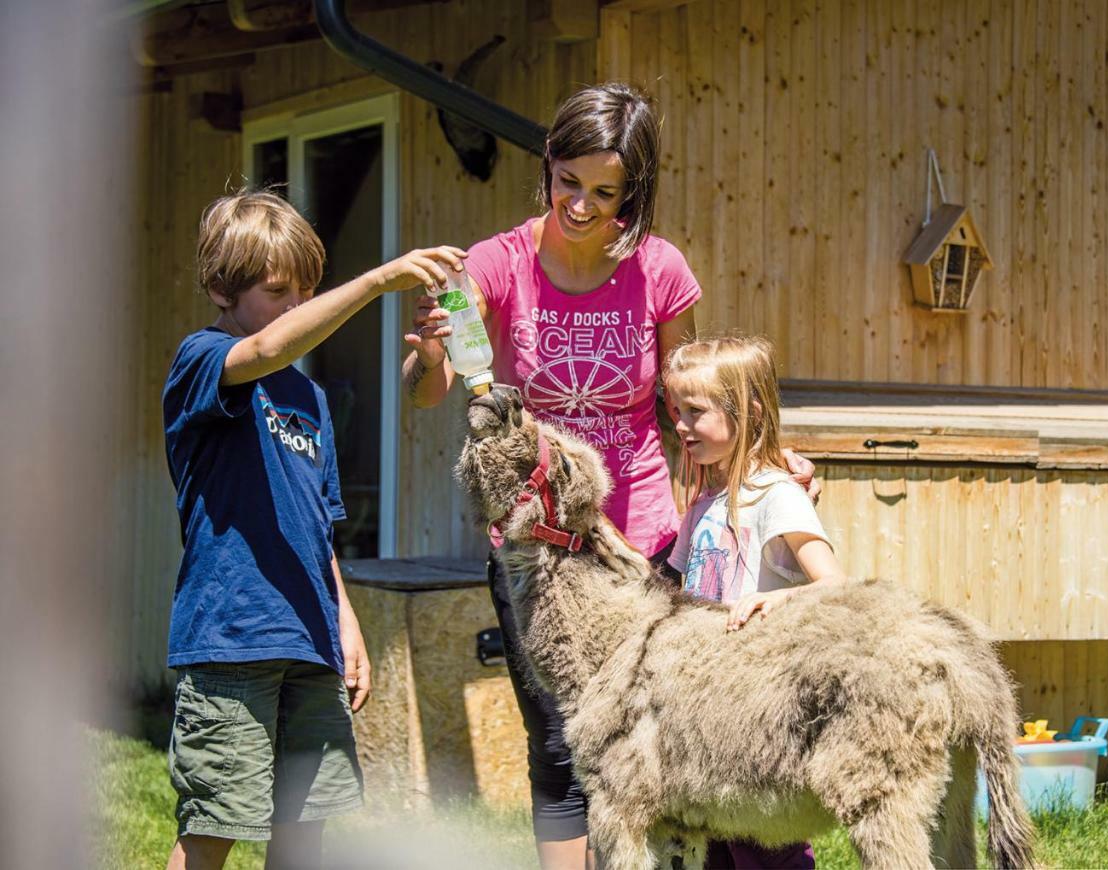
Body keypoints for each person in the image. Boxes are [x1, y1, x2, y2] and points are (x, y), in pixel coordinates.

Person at [402, 82, 818, 870]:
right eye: (570, 184)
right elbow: (430, 392)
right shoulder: (497, 263)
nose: (584, 208)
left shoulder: (658, 270)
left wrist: (763, 461)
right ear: (548, 166)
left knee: (656, 734)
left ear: (633, 194)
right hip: (537, 551)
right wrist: (429, 352)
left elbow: (690, 396)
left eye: (607, 193)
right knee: (561, 737)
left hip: (645, 543)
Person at [162, 189, 464, 869]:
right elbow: (265, 346)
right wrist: (380, 280)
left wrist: (345, 626)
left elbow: (319, 528)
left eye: (306, 290)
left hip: (309, 638)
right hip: (231, 639)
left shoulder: (310, 398)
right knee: (214, 826)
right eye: (278, 290)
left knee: (305, 830)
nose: (297, 305)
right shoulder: (202, 361)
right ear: (220, 287)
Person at [665, 335, 847, 870]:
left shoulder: (777, 495)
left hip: (758, 709)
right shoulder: (703, 504)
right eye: (676, 410)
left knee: (766, 844)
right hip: (706, 706)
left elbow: (835, 586)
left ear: (747, 412)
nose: (680, 424)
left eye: (695, 412)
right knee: (716, 843)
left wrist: (778, 604)